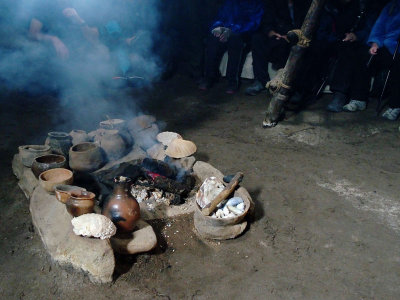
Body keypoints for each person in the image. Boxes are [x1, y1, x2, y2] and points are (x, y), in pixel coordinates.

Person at [337, 0, 400, 119]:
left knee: (398, 65)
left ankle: (395, 105)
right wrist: (375, 43)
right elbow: (379, 26)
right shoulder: (391, 5)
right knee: (362, 56)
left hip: (398, 49)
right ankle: (359, 99)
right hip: (385, 45)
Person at [326, 0, 387, 112]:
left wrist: (356, 36)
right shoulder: (335, 6)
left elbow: (373, 29)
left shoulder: (370, 6)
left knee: (352, 52)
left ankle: (340, 94)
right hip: (336, 40)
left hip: (362, 43)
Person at [245, 0, 311, 96]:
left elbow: (306, 25)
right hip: (278, 35)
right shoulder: (275, 2)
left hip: (296, 36)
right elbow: (266, 21)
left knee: (289, 46)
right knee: (257, 39)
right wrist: (271, 32)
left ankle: (290, 87)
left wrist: (290, 35)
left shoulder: (304, 3)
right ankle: (260, 81)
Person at [198, 0, 264, 94]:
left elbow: (253, 23)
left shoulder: (255, 3)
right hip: (227, 30)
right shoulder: (230, 2)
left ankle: (232, 81)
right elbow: (220, 17)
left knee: (235, 39)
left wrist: (232, 30)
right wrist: (218, 28)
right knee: (213, 38)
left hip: (243, 33)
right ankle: (208, 77)